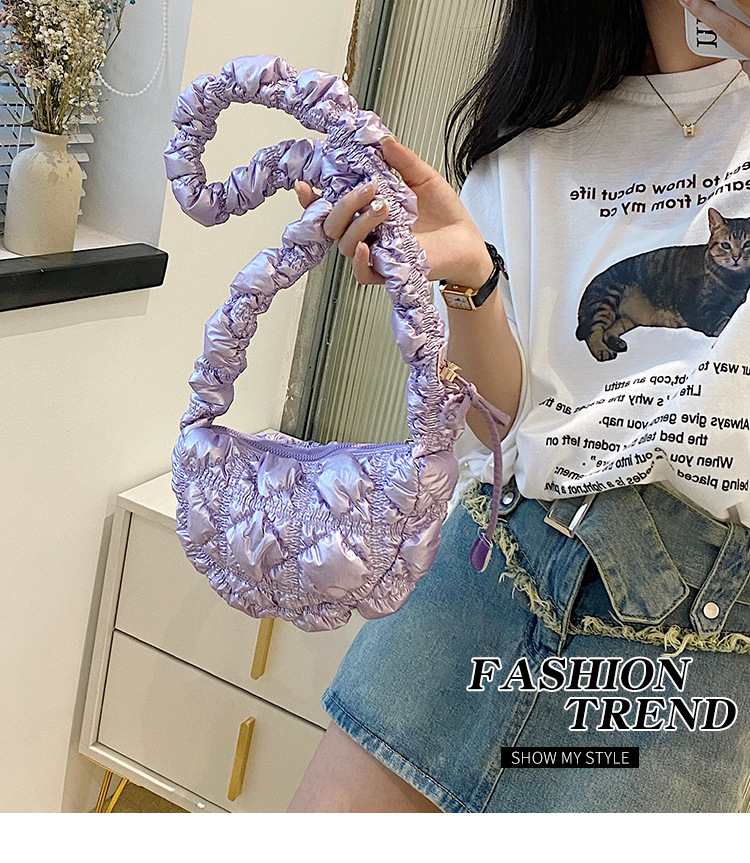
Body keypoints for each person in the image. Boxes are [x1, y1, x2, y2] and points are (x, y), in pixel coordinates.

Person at [287, 0, 750, 812]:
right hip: (497, 564)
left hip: (690, 636)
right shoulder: (538, 134)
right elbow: (503, 423)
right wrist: (469, 283)